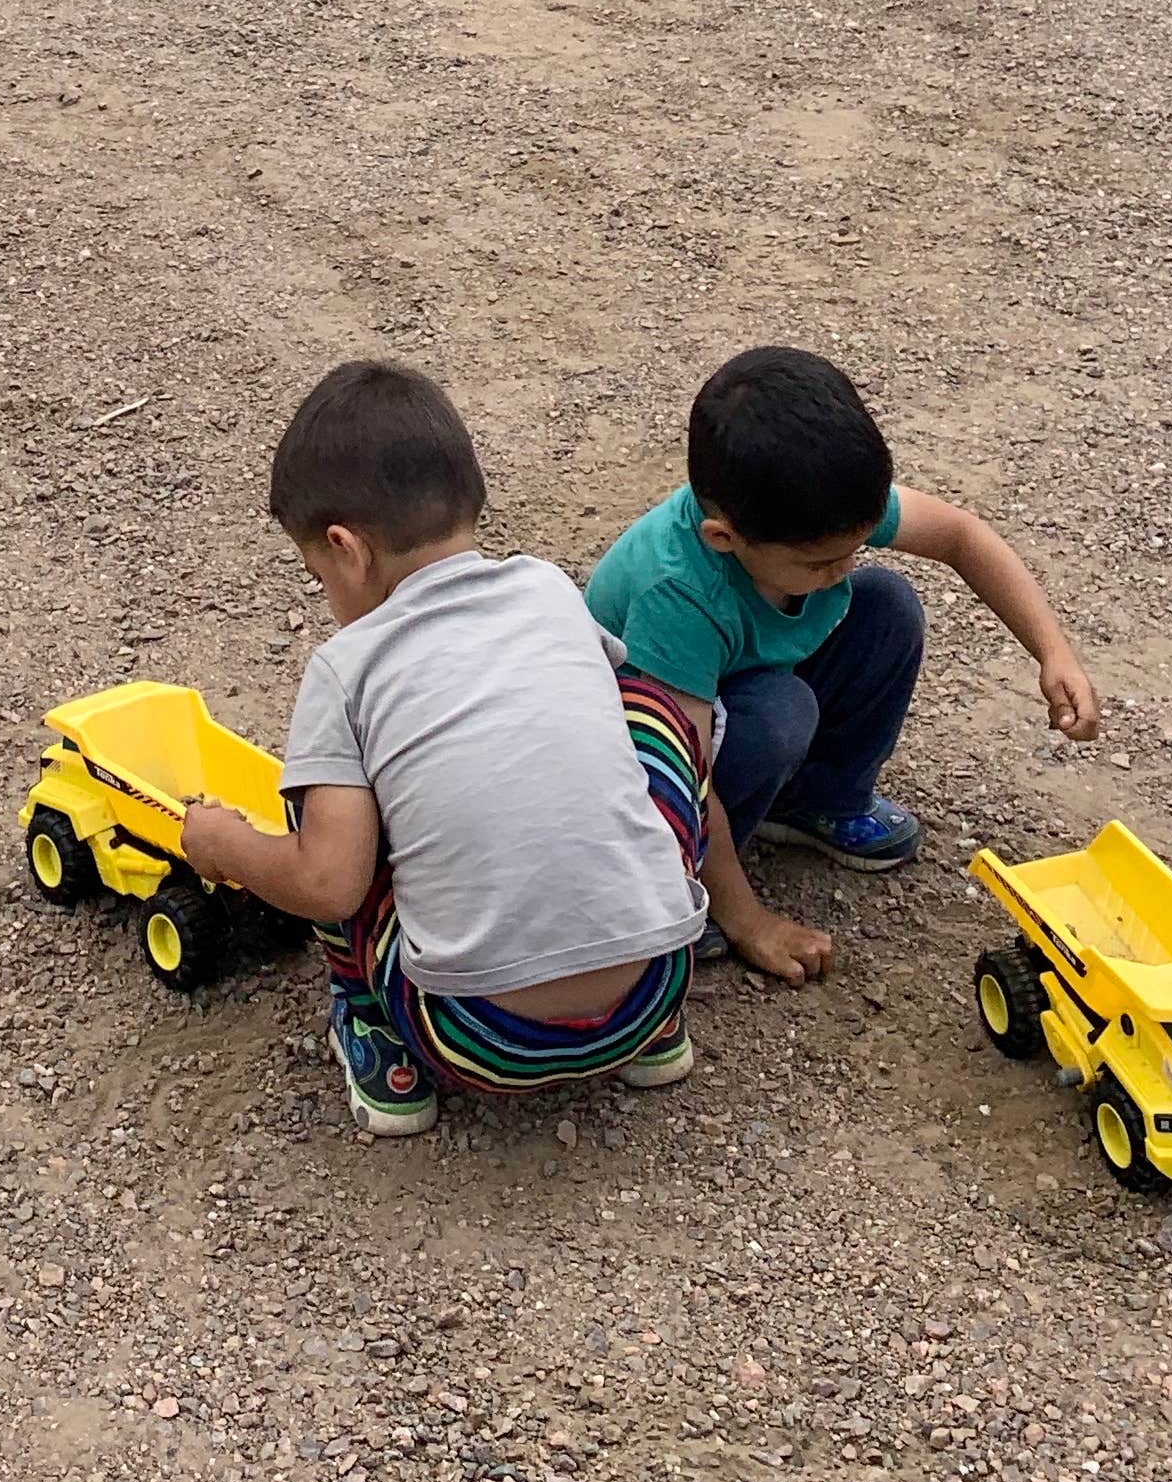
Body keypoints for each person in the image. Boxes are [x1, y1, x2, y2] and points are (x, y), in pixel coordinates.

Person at [179, 359, 711, 1139]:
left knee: (336, 811)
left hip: (478, 1039)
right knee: (649, 713)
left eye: (315, 574)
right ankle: (651, 1039)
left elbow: (327, 884)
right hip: (655, 983)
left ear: (345, 549)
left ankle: (379, 1043)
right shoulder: (547, 587)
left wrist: (224, 844)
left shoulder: (347, 666)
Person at [586, 344, 1100, 987]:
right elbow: (679, 769)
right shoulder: (679, 592)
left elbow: (962, 537)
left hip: (729, 683)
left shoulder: (808, 512)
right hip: (640, 750)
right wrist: (751, 922)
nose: (843, 568)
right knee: (781, 712)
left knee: (887, 603)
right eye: (819, 562)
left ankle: (815, 801)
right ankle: (683, 881)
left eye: (854, 546)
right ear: (724, 537)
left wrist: (1052, 650)